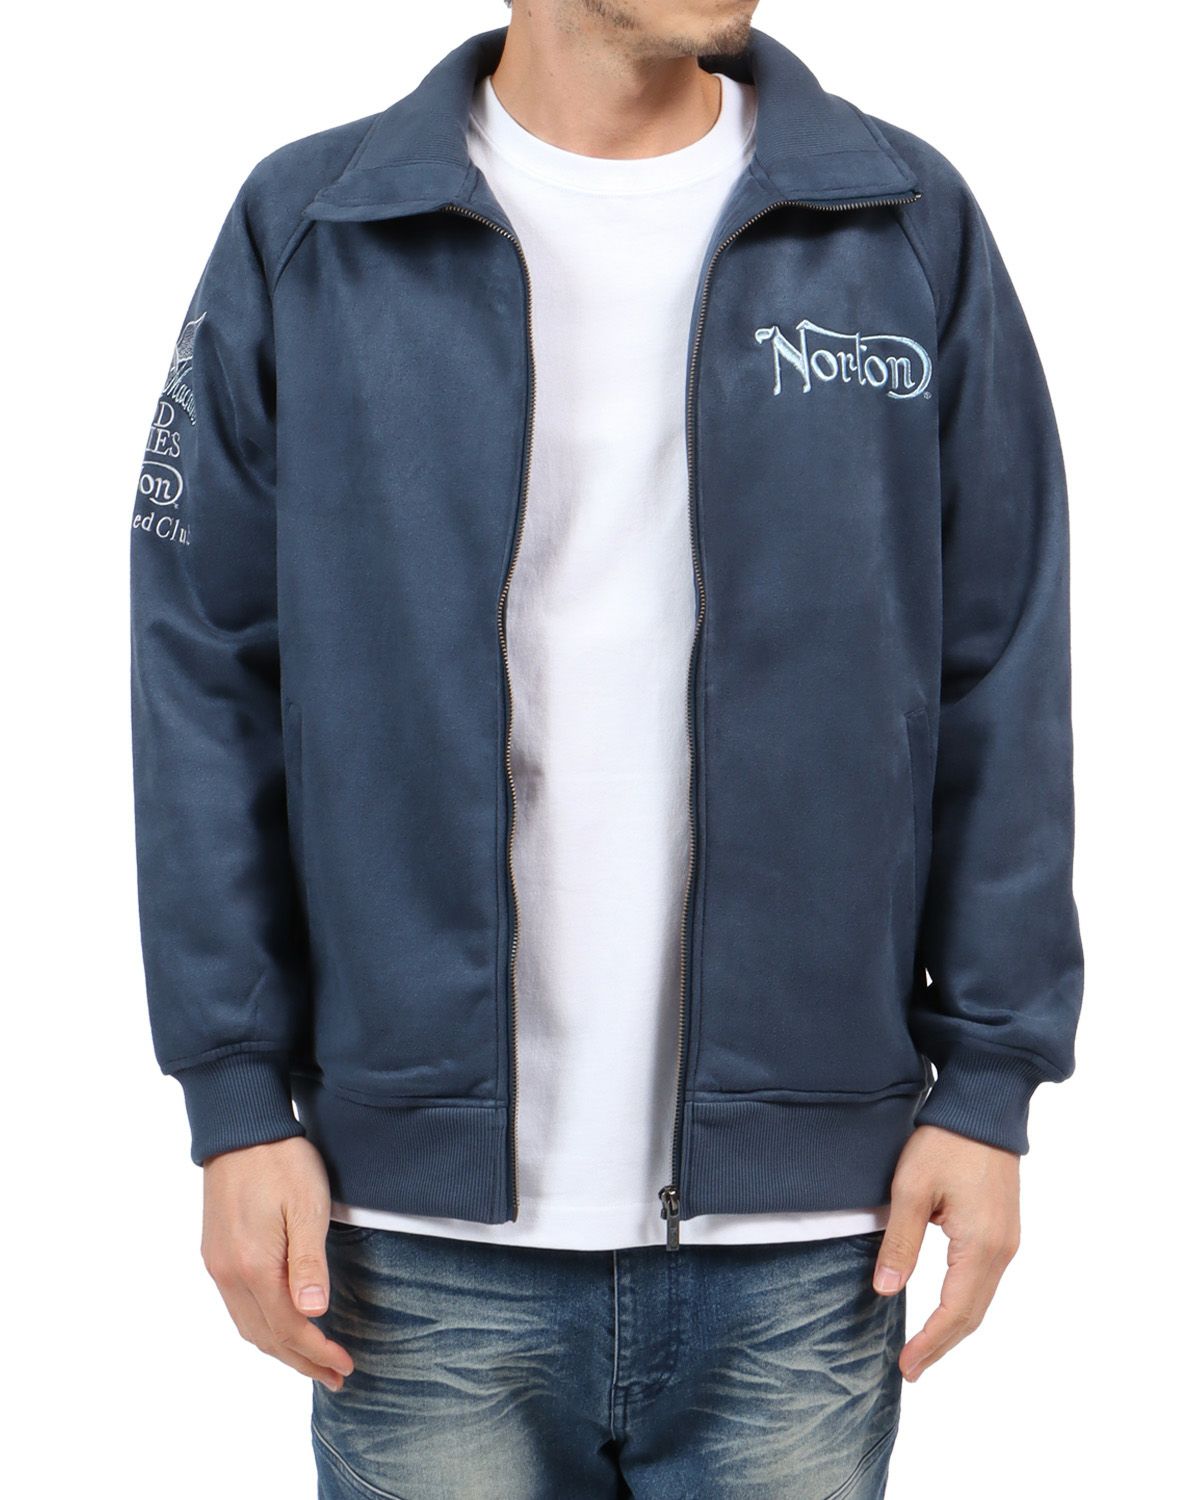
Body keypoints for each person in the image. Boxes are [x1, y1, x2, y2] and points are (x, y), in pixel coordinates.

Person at [128, 2, 1084, 1495]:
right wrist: (234, 1104)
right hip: (413, 1241)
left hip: (808, 1241)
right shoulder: (315, 226)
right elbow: (204, 671)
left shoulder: (900, 221)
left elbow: (1001, 662)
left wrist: (990, 1083)